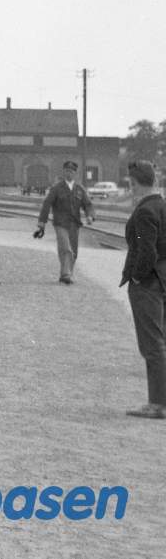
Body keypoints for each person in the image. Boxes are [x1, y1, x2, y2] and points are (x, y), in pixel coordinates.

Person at [120, 160, 166, 419]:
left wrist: (136, 277)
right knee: (162, 341)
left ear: (134, 183)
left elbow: (146, 250)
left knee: (152, 345)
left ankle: (157, 404)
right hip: (164, 279)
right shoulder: (163, 205)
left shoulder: (145, 211)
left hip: (148, 284)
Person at [34, 160, 96, 284]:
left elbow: (88, 204)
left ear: (75, 173)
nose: (69, 173)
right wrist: (42, 222)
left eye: (72, 171)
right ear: (63, 172)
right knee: (65, 248)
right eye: (67, 171)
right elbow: (47, 204)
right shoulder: (57, 188)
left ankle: (68, 274)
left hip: (74, 224)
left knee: (73, 251)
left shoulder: (79, 189)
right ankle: (66, 274)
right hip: (60, 223)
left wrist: (90, 216)